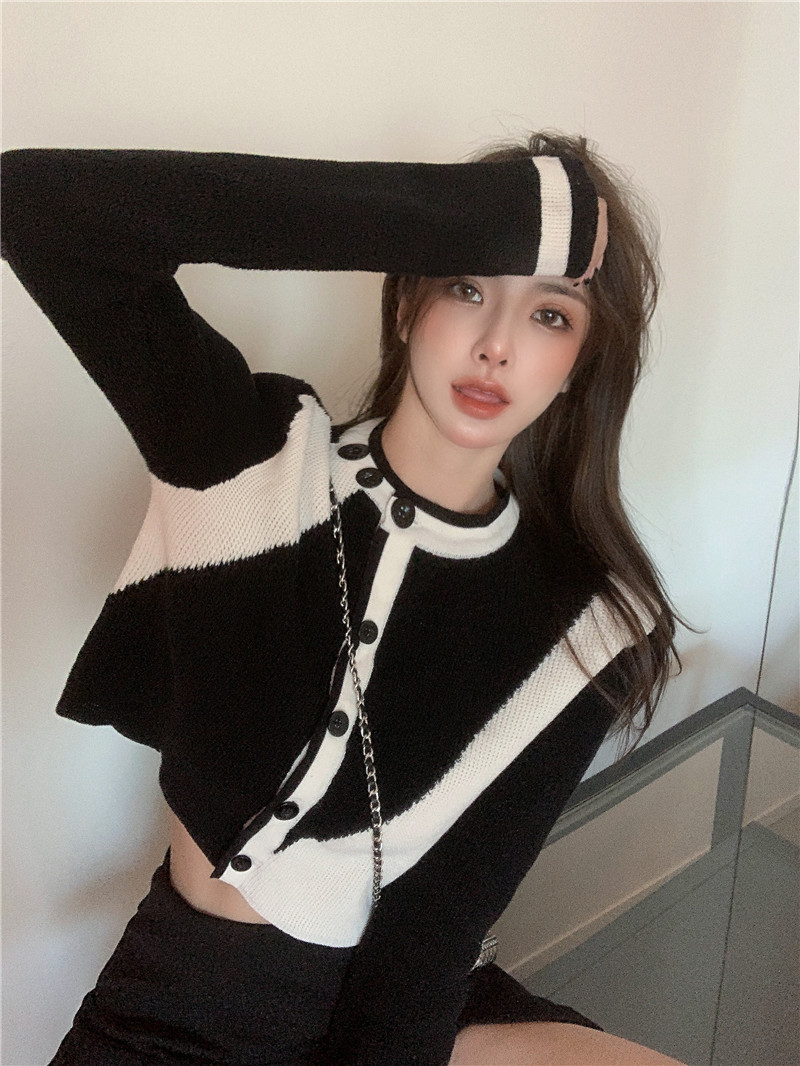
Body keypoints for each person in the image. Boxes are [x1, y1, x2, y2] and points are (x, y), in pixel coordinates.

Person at [1, 133, 687, 1066]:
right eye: (466, 288)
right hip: (173, 1012)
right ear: (405, 301)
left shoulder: (590, 623)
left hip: (394, 1001)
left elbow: (434, 931)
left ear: (579, 363)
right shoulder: (247, 460)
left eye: (550, 315)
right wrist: (464, 217)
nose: (496, 346)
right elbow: (37, 204)